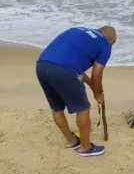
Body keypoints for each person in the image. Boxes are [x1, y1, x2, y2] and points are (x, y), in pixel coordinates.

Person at [36, 26, 117, 157]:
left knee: (57, 108)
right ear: (110, 38)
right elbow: (97, 73)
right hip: (64, 70)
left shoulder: (78, 31)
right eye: (113, 43)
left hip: (42, 65)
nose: (111, 46)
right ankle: (86, 147)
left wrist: (92, 85)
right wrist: (97, 94)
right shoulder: (105, 44)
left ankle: (71, 141)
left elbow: (74, 65)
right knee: (83, 108)